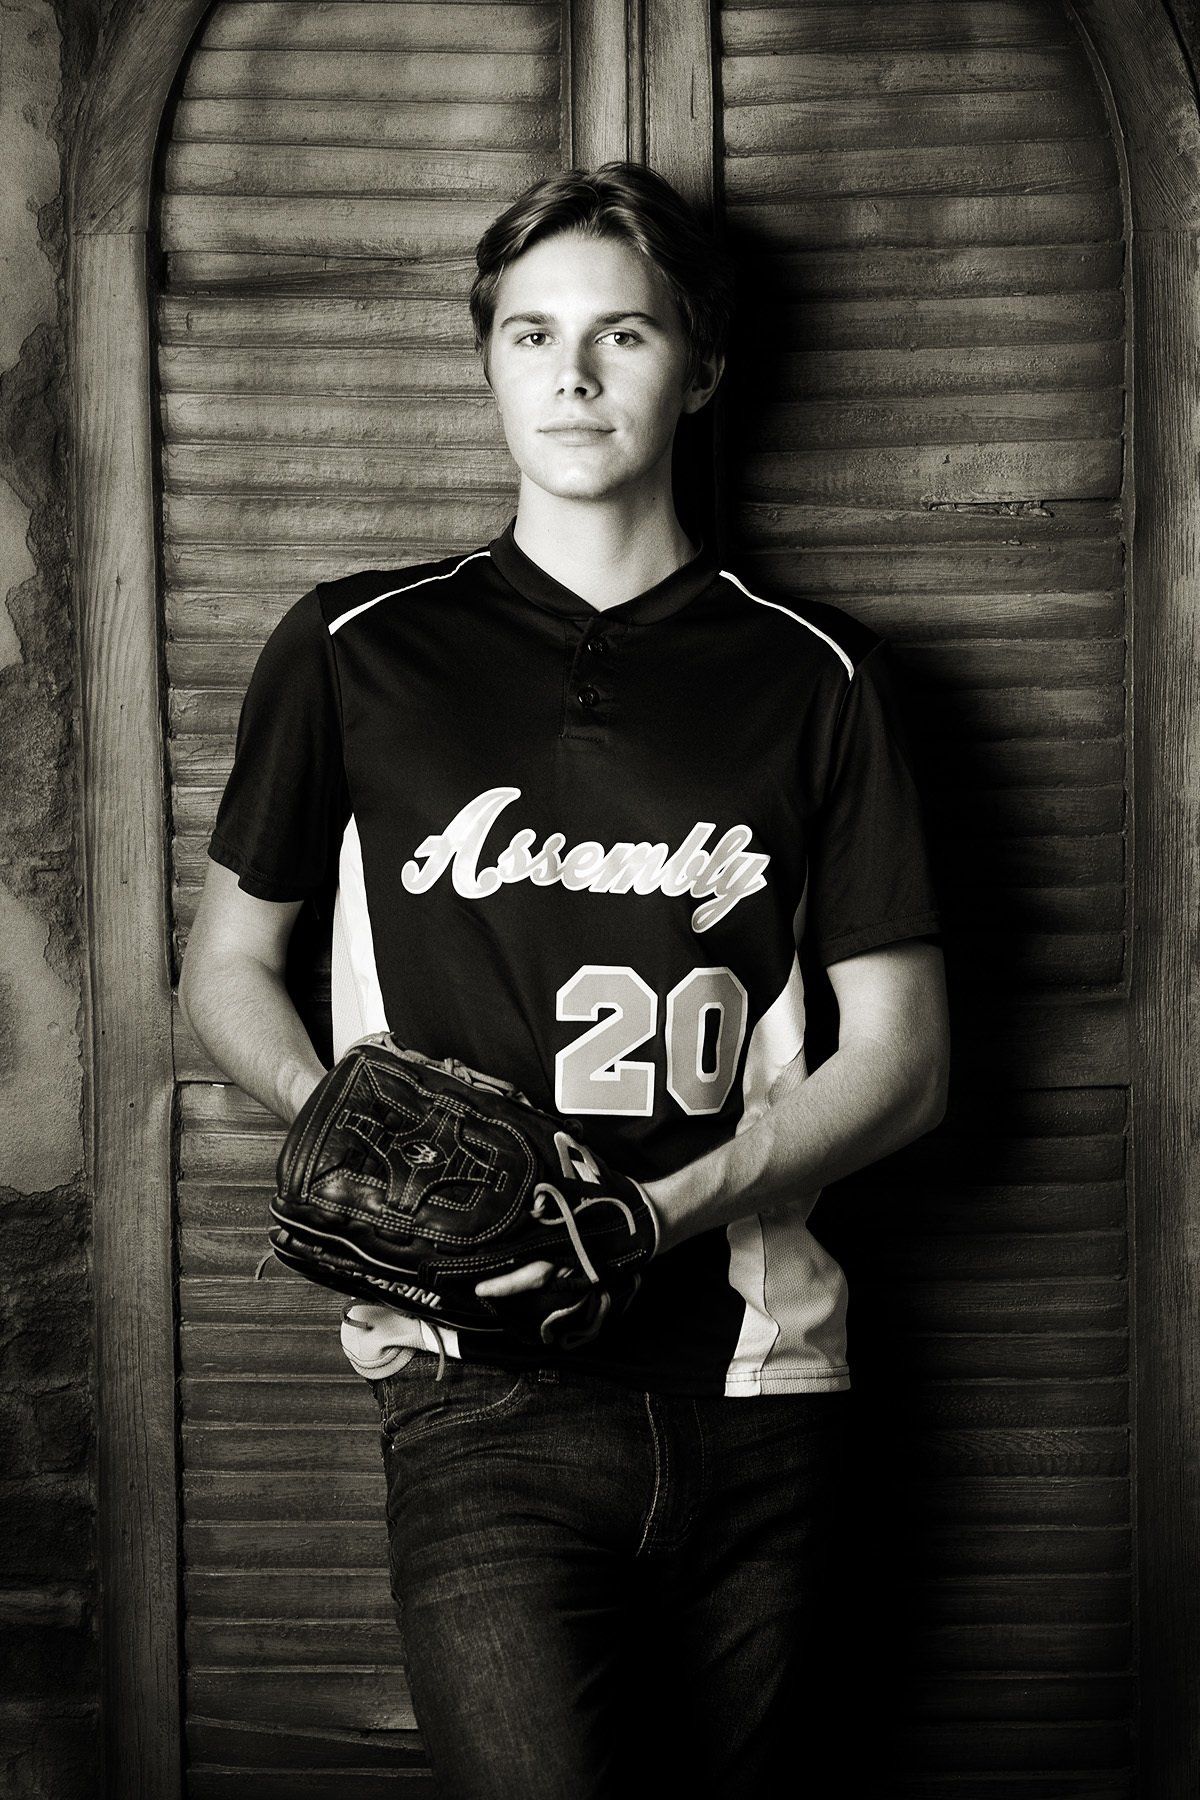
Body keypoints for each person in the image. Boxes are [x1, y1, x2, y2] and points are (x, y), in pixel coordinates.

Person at [179, 161, 950, 1799]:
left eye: (624, 334)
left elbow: (906, 1055)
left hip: (766, 1378)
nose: (576, 375)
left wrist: (659, 1215)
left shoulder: (818, 673)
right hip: (478, 1394)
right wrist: (381, 1146)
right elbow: (230, 967)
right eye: (533, 334)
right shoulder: (351, 645)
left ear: (704, 368)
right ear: (487, 364)